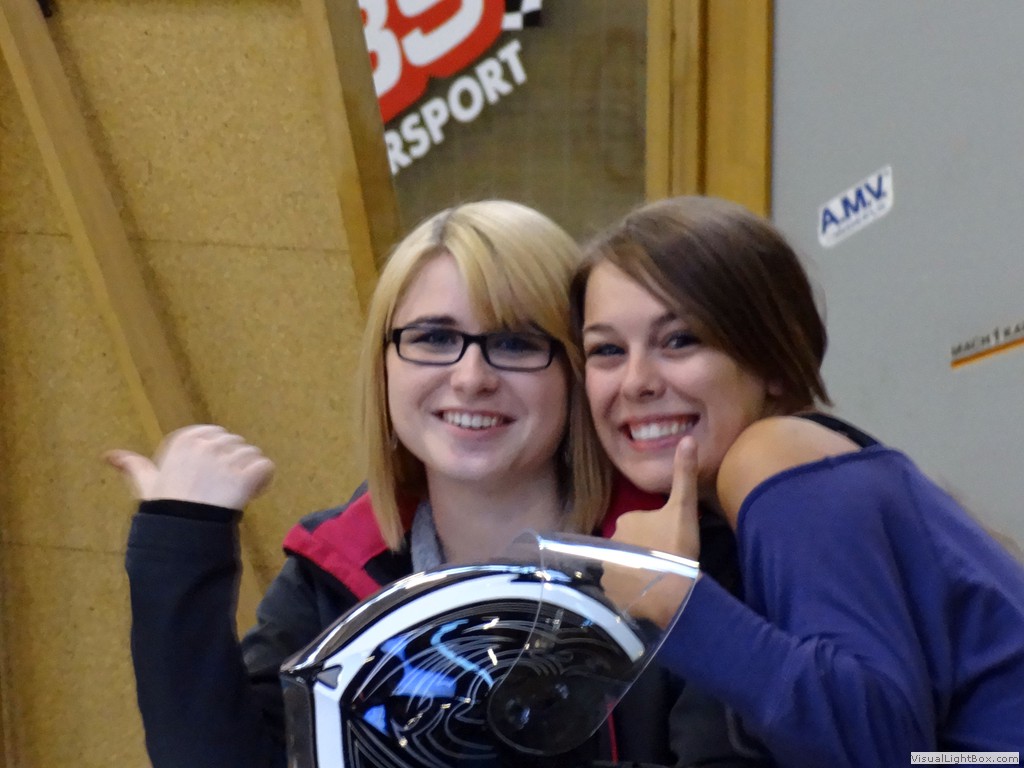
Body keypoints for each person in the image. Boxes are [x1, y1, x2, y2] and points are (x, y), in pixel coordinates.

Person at [110, 199, 766, 768]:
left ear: (574, 370)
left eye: (515, 343)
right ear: (384, 367)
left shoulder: (683, 557)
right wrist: (181, 538)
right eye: (432, 338)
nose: (471, 377)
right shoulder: (334, 569)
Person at [572, 194, 1024, 767]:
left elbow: (879, 749)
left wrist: (672, 598)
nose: (636, 381)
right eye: (607, 350)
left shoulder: (771, 454)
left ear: (773, 364)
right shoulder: (755, 495)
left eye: (679, 340)